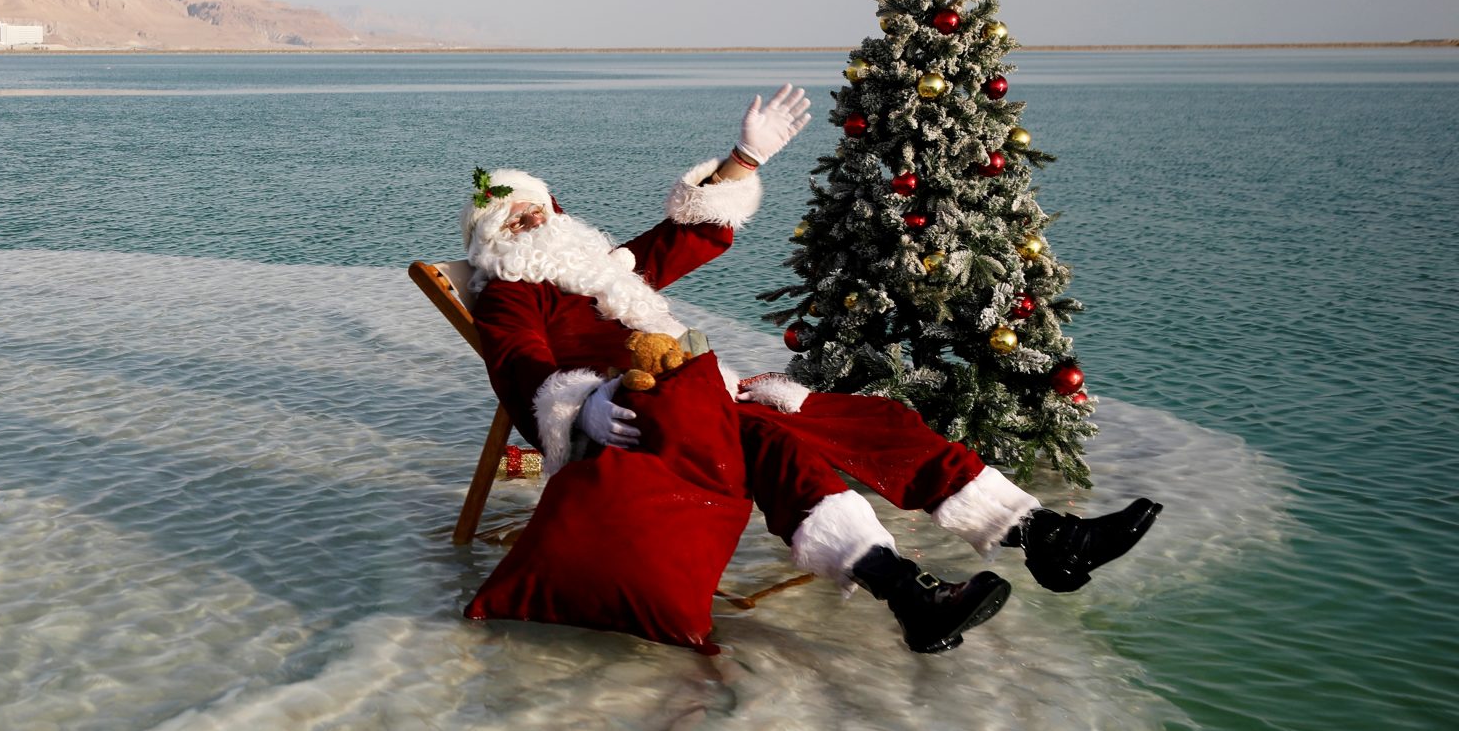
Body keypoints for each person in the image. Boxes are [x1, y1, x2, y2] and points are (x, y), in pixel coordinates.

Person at [464, 85, 1159, 653]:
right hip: (629, 420)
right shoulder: (508, 292)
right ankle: (908, 592)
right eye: (510, 216)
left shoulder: (603, 267)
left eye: (535, 205)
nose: (528, 219)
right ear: (492, 239)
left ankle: (1043, 535)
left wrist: (743, 159)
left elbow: (691, 236)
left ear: (559, 211)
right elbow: (516, 363)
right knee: (774, 442)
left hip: (704, 394)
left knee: (867, 416)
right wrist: (577, 406)